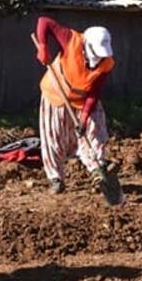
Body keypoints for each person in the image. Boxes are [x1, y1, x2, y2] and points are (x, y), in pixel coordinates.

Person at [33, 15, 115, 195]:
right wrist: (43, 46)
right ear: (87, 45)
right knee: (53, 135)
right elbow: (44, 22)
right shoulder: (71, 40)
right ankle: (56, 178)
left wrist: (84, 117)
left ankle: (98, 170)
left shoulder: (106, 62)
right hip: (55, 94)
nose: (99, 59)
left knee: (95, 129)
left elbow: (95, 92)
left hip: (83, 99)